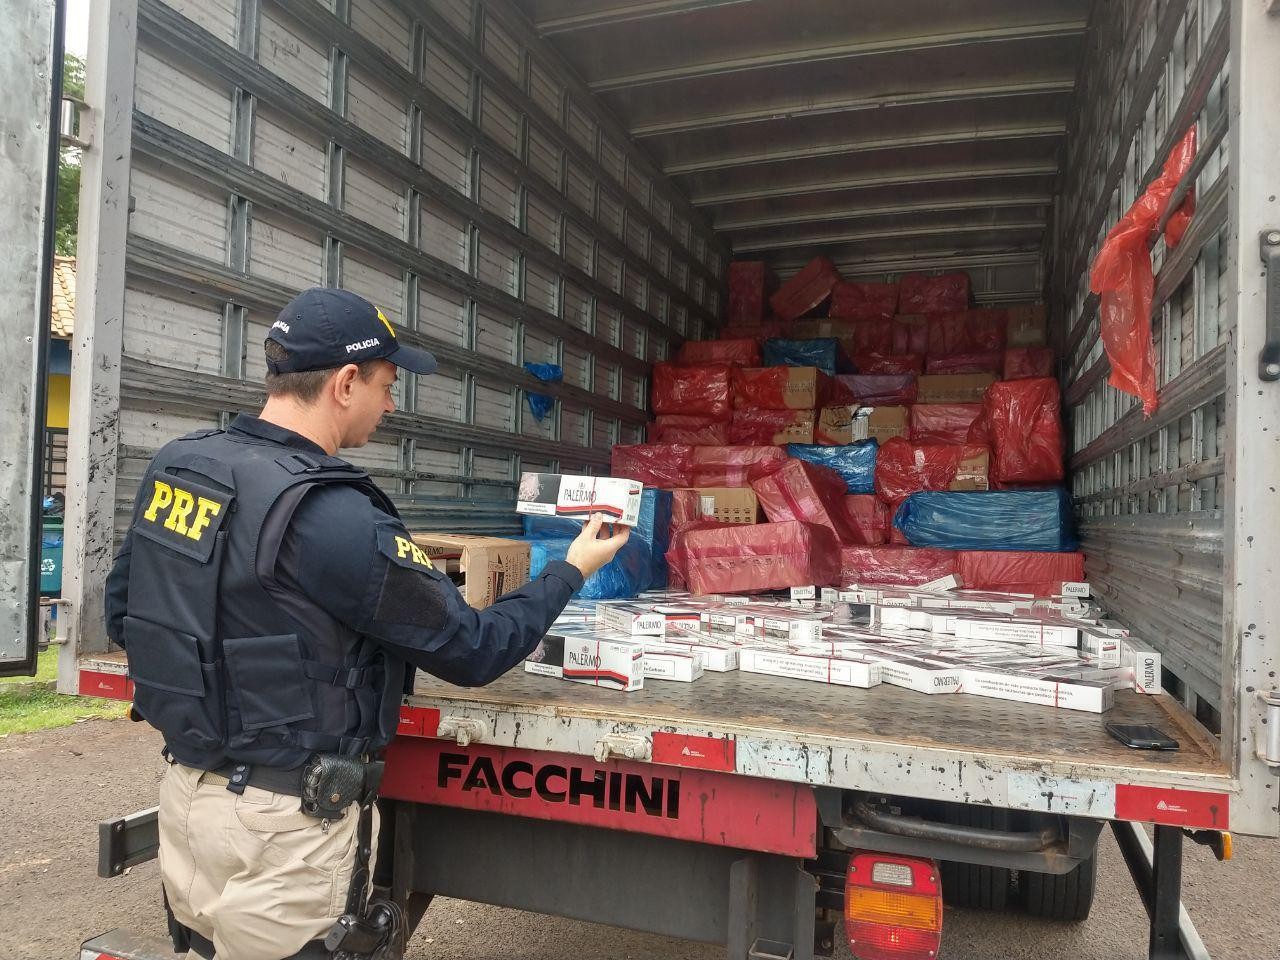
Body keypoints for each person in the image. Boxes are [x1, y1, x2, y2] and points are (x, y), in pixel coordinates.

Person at [103, 287, 630, 960]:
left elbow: (127, 612)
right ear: (345, 383)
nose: (391, 404)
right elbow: (473, 650)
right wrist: (573, 567)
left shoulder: (182, 465)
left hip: (188, 801)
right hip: (284, 833)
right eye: (387, 385)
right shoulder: (333, 516)